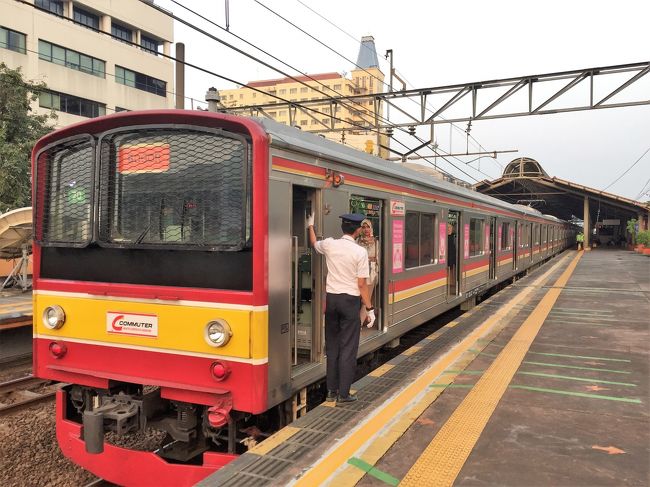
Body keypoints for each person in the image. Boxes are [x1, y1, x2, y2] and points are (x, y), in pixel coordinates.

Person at [307, 212, 375, 405]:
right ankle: (343, 394)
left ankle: (330, 391)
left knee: (333, 347)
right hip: (349, 303)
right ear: (357, 230)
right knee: (348, 348)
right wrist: (369, 309)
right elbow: (361, 284)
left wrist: (310, 226)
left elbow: (313, 243)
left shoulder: (330, 244)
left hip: (332, 301)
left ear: (343, 228)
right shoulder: (360, 252)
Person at [356, 218, 379, 327]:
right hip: (358, 272)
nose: (366, 229)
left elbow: (379, 258)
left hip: (371, 273)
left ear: (371, 228)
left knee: (366, 299)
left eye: (368, 227)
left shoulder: (376, 242)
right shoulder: (357, 241)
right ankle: (367, 318)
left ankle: (359, 324)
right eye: (363, 227)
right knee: (359, 299)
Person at [447, 224, 457, 294]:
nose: (449, 229)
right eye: (447, 227)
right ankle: (449, 283)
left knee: (452, 269)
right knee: (448, 269)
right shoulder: (445, 236)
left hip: (452, 255)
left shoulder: (454, 236)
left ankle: (452, 283)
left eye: (450, 227)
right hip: (448, 255)